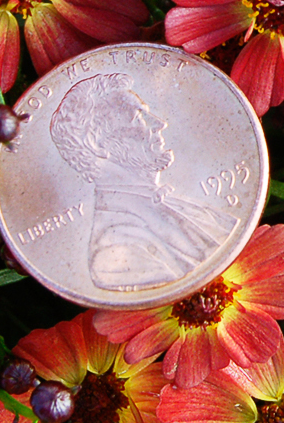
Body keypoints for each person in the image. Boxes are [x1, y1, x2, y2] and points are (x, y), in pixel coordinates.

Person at [50, 74, 236, 289]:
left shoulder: (193, 209)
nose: (159, 123)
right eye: (138, 117)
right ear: (96, 144)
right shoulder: (114, 257)